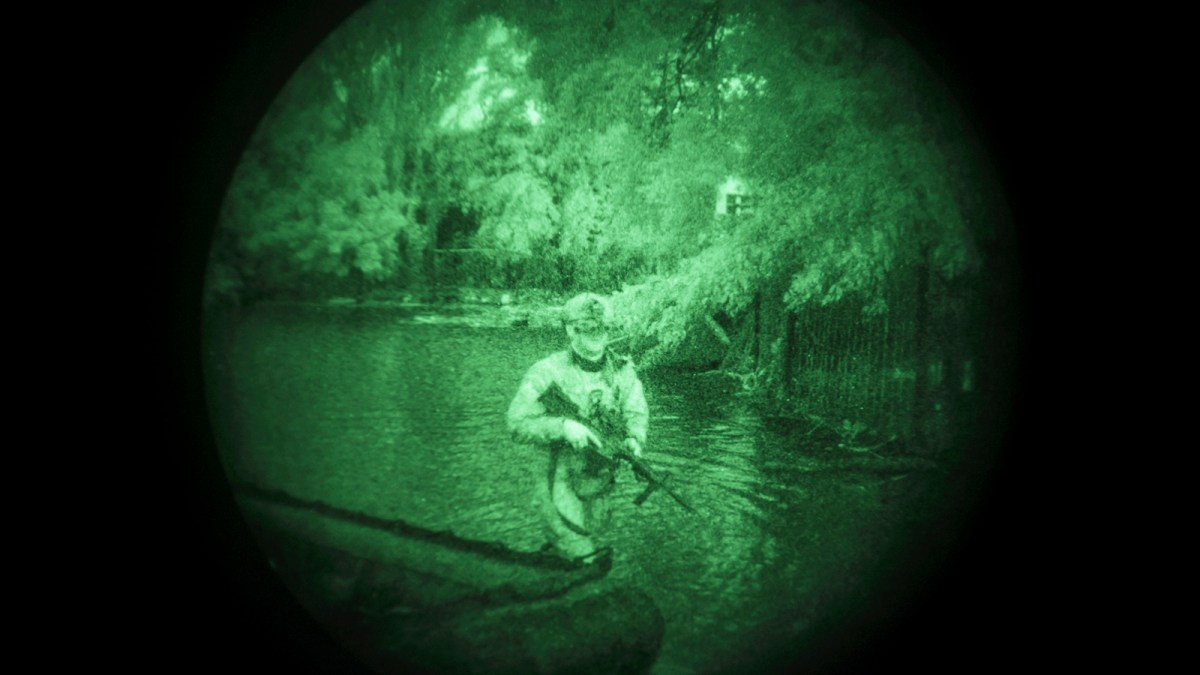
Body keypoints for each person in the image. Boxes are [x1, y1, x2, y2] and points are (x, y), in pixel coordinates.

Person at [506, 293, 649, 561]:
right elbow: (516, 423)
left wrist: (635, 439)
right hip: (557, 477)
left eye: (603, 328)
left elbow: (636, 411)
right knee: (585, 557)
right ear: (571, 330)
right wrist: (564, 427)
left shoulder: (622, 371)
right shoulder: (546, 371)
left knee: (586, 538)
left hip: (596, 478)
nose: (598, 335)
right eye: (589, 328)